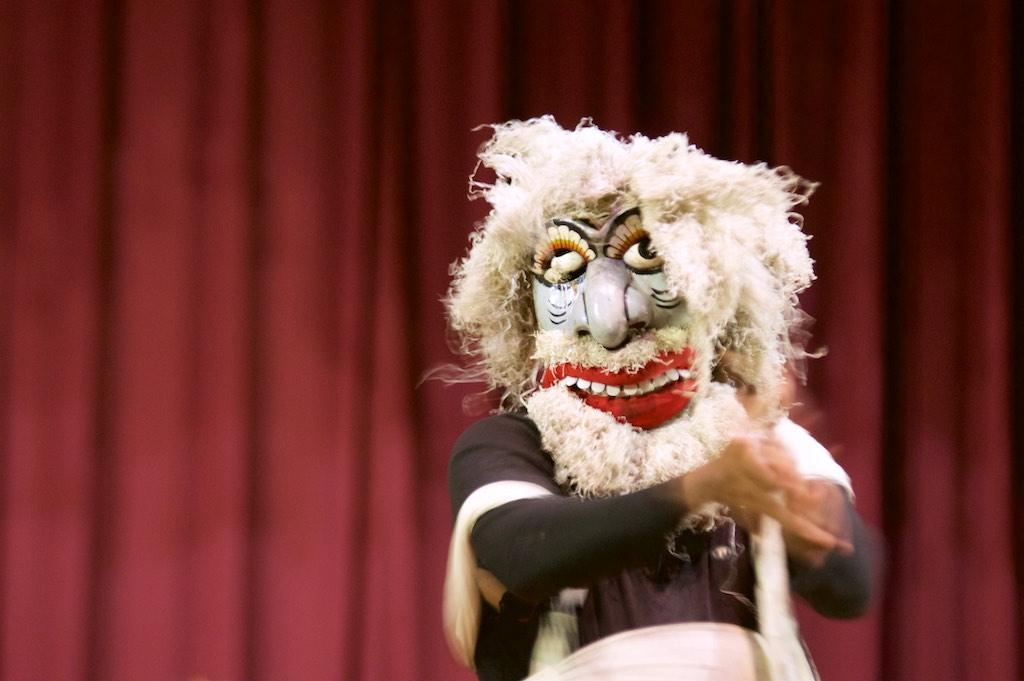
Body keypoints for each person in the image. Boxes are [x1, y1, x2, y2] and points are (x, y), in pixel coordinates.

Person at [441, 118, 874, 681]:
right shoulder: (511, 443)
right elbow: (520, 551)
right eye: (566, 268)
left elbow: (849, 589)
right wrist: (698, 488)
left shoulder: (759, 441)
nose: (611, 319)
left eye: (649, 257)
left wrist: (807, 521)